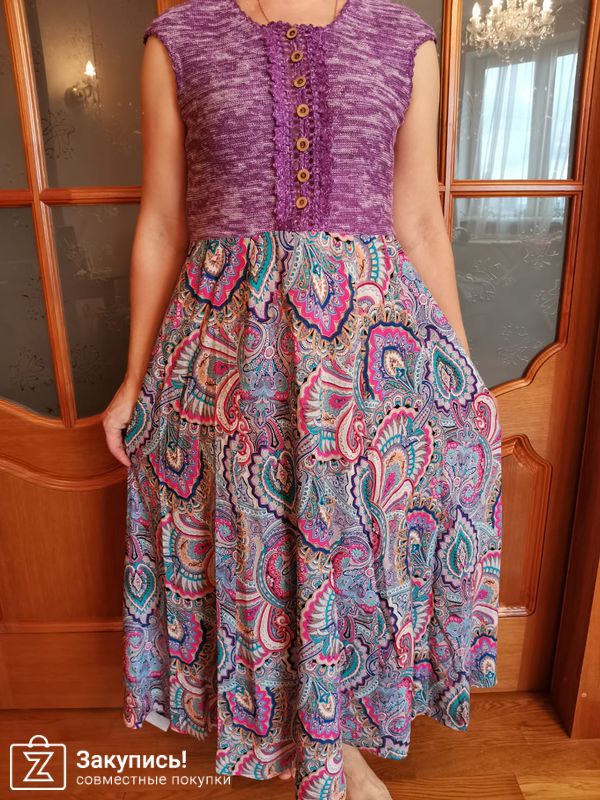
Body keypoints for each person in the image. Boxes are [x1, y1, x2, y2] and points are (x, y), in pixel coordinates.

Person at [102, 1, 503, 799]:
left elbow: (421, 222)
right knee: (256, 548)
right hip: (227, 356)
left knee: (352, 552)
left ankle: (336, 749)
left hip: (371, 358)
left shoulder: (404, 38)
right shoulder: (180, 38)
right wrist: (131, 378)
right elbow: (163, 223)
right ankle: (289, 740)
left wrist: (462, 369)